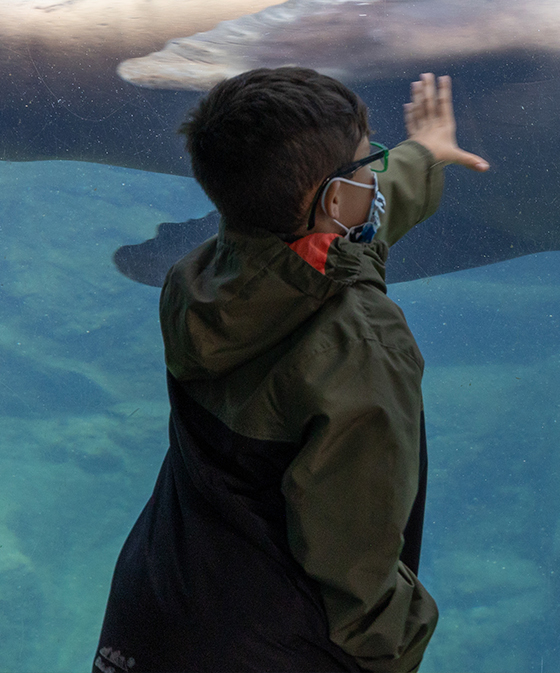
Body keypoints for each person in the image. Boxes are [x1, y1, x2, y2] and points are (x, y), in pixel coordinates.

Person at [94, 68, 489, 673]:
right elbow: (350, 545)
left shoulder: (200, 277)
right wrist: (394, 644)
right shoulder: (360, 343)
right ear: (336, 199)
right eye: (367, 165)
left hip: (156, 609)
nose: (375, 178)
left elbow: (338, 242)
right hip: (274, 646)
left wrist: (423, 156)